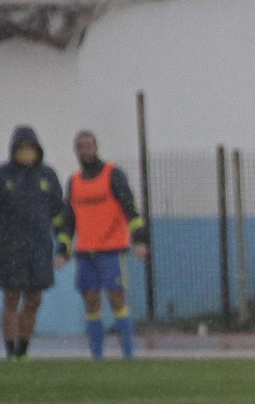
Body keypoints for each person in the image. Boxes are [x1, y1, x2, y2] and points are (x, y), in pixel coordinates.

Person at [60, 131, 149, 360]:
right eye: (81, 147)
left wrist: (139, 239)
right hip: (85, 252)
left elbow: (130, 206)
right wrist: (63, 249)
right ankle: (97, 357)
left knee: (117, 298)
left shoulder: (113, 174)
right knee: (91, 301)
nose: (85, 150)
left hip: (112, 249)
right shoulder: (75, 182)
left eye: (89, 146)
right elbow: (69, 220)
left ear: (96, 148)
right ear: (76, 150)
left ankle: (128, 355)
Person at [0, 126, 67, 361]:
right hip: (10, 248)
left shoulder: (47, 175)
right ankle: (10, 352)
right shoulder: (4, 175)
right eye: (21, 148)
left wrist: (64, 244)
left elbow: (59, 212)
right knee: (11, 297)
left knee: (34, 299)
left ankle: (23, 349)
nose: (26, 153)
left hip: (39, 247)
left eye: (30, 148)